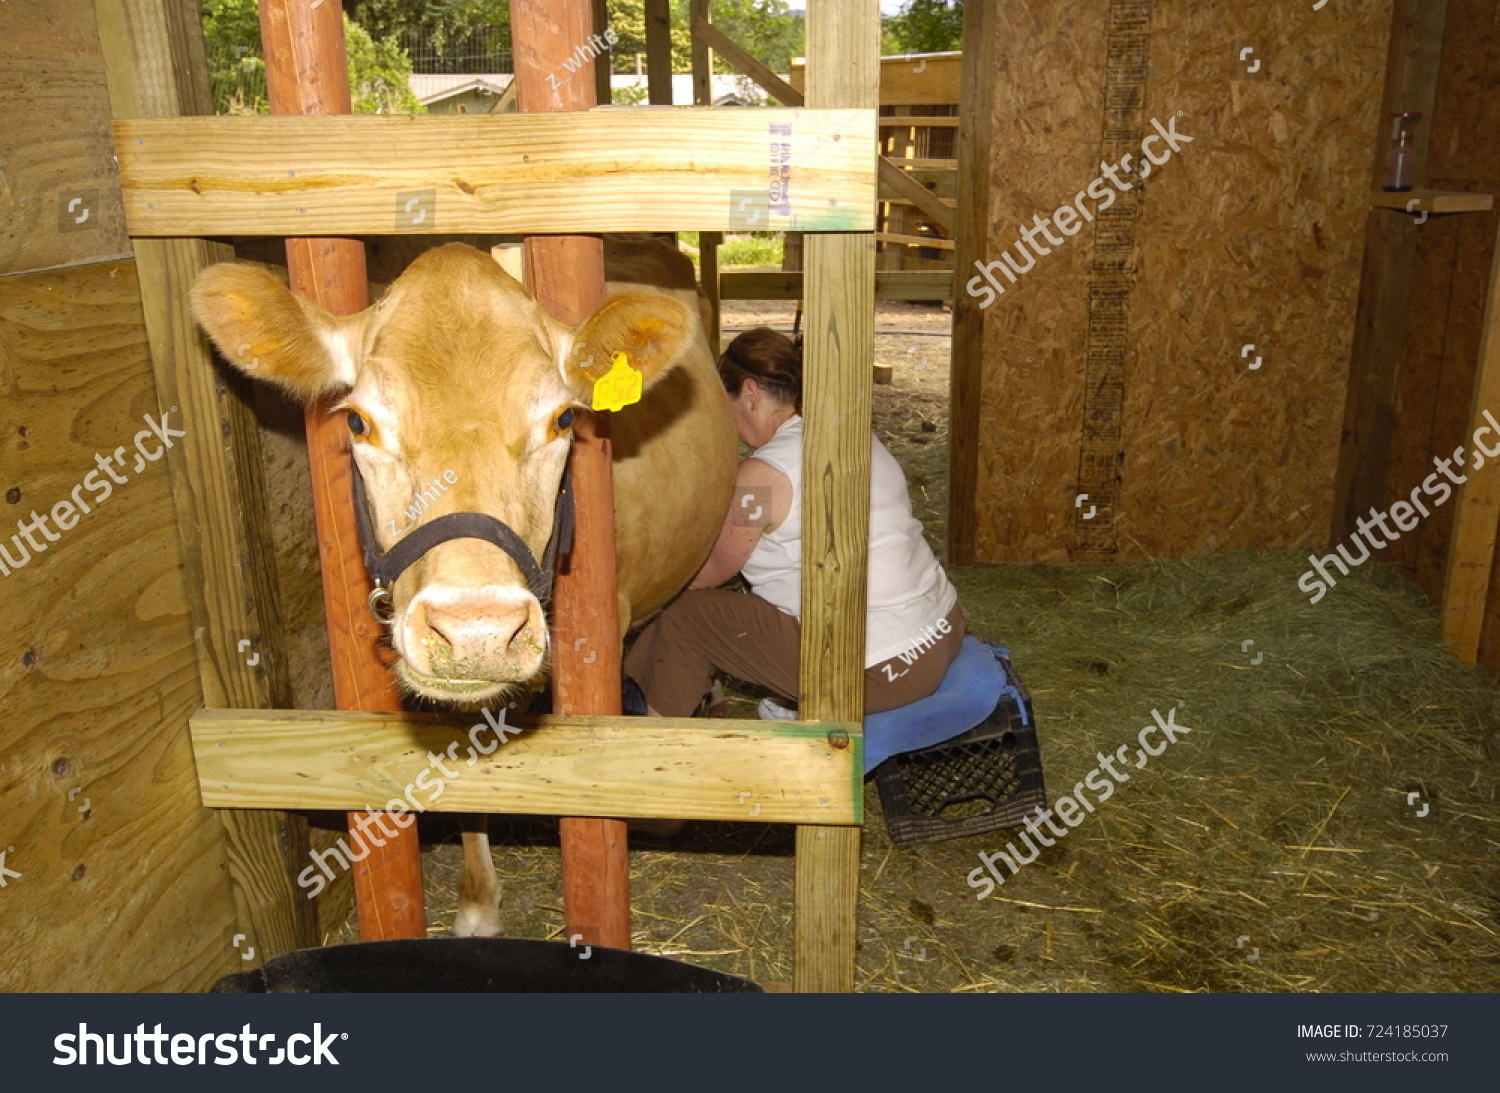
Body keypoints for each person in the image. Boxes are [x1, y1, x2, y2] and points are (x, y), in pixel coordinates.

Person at [622, 326, 964, 718]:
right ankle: (648, 696)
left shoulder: (760, 480)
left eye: (725, 407)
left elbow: (709, 573)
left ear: (749, 393)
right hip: (940, 629)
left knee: (687, 618)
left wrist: (643, 581)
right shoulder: (850, 435)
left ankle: (649, 743)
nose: (728, 428)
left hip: (882, 669)